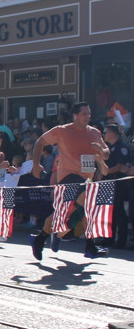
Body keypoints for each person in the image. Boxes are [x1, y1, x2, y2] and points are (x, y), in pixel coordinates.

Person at [28, 102, 110, 260]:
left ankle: (40, 238)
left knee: (70, 212)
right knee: (86, 204)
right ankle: (90, 246)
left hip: (87, 178)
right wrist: (36, 164)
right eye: (84, 114)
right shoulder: (62, 131)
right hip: (69, 177)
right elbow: (40, 142)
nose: (87, 116)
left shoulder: (94, 132)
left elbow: (106, 153)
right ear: (75, 116)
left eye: (89, 113)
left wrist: (101, 151)